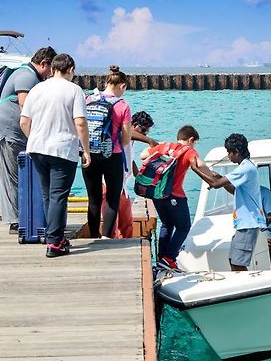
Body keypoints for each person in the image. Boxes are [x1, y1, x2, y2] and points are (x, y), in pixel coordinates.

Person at [20, 53, 90, 257]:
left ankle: (54, 237)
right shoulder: (75, 90)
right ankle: (54, 242)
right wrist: (85, 150)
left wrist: (34, 139)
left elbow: (24, 122)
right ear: (70, 70)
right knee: (59, 196)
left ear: (52, 69)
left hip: (37, 148)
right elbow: (80, 123)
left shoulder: (37, 88)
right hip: (62, 149)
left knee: (48, 195)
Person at [0, 46, 57, 234]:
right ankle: (15, 221)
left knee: (18, 175)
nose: (51, 74)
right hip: (7, 132)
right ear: (44, 63)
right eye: (51, 69)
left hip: (13, 132)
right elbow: (25, 105)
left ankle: (22, 217)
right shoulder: (26, 75)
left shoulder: (30, 75)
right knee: (11, 176)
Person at [140, 125, 212, 270]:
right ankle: (169, 258)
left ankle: (162, 259)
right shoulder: (188, 150)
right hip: (175, 195)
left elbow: (143, 155)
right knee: (184, 227)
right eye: (194, 142)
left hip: (157, 193)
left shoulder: (164, 146)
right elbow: (200, 164)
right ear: (191, 139)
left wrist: (158, 146)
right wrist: (212, 176)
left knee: (167, 224)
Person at [192, 133, 266, 271]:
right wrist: (220, 178)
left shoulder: (246, 168)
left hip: (248, 223)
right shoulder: (245, 167)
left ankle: (246, 288)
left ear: (236, 152)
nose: (228, 156)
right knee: (233, 260)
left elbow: (215, 184)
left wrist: (195, 169)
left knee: (238, 263)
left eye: (229, 152)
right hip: (244, 223)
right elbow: (234, 190)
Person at [82, 65, 132, 239]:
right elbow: (126, 140)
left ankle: (93, 236)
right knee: (112, 198)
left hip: (89, 154)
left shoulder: (88, 99)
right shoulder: (122, 106)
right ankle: (106, 238)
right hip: (112, 155)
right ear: (122, 86)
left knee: (93, 199)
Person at [101, 110, 157, 238]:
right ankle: (109, 245)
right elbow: (127, 133)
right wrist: (149, 140)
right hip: (108, 183)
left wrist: (140, 178)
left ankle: (126, 243)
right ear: (134, 125)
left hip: (122, 186)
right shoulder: (122, 132)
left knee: (127, 222)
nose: (145, 133)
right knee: (111, 223)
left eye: (147, 132)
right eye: (143, 131)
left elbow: (130, 160)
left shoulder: (130, 141)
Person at [260, 185, 271, 263]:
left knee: (266, 244)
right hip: (247, 229)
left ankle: (269, 267)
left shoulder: (264, 192)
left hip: (265, 229)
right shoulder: (241, 192)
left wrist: (260, 226)